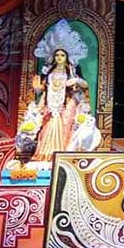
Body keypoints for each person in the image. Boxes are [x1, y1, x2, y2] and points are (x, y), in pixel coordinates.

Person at [24, 20, 93, 162]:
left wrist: (77, 81)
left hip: (67, 103)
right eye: (57, 55)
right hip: (50, 104)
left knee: (66, 126)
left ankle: (63, 156)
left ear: (67, 57)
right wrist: (37, 89)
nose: (59, 57)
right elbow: (44, 88)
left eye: (62, 55)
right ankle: (45, 156)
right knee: (47, 127)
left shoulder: (72, 71)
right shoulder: (48, 71)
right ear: (53, 57)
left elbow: (85, 85)